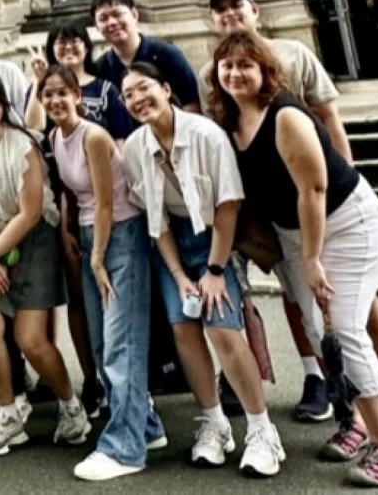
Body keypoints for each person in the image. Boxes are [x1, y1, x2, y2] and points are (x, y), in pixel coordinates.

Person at [212, 31, 378, 487]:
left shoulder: (284, 115)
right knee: (318, 329)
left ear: (265, 70)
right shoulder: (230, 122)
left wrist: (313, 258)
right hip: (294, 231)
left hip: (345, 223)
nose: (236, 73)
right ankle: (357, 421)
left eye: (246, 65)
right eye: (227, 66)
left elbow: (314, 189)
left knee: (345, 325)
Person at [120, 62, 286, 477]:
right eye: (129, 95)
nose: (138, 100)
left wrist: (213, 269)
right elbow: (155, 220)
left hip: (216, 236)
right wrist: (178, 276)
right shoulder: (136, 147)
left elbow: (228, 204)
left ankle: (262, 431)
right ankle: (213, 423)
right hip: (174, 241)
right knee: (183, 328)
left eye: (144, 89)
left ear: (165, 88)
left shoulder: (205, 134)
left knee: (222, 328)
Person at [0, 67, 89, 457]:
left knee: (31, 338)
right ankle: (8, 413)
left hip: (34, 236)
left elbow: (29, 212)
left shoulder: (23, 144)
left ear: (4, 103)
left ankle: (71, 407)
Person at [41, 65, 167, 481]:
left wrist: (96, 258)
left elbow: (108, 201)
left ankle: (124, 449)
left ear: (79, 95)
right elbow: (74, 196)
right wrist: (72, 233)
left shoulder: (93, 135)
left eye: (63, 92)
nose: (56, 101)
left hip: (121, 235)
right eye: (48, 94)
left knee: (122, 342)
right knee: (99, 344)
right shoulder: (56, 137)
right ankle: (145, 427)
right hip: (92, 234)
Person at [92, 0, 201, 109]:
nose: (111, 22)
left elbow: (191, 102)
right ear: (97, 27)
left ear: (134, 14)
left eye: (117, 14)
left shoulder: (166, 54)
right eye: (103, 19)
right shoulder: (100, 69)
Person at [34, 23, 135, 139]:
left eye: (74, 41)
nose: (68, 47)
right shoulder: (41, 87)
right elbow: (35, 127)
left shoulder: (106, 90)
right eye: (61, 42)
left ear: (86, 47)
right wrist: (38, 79)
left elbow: (121, 137)